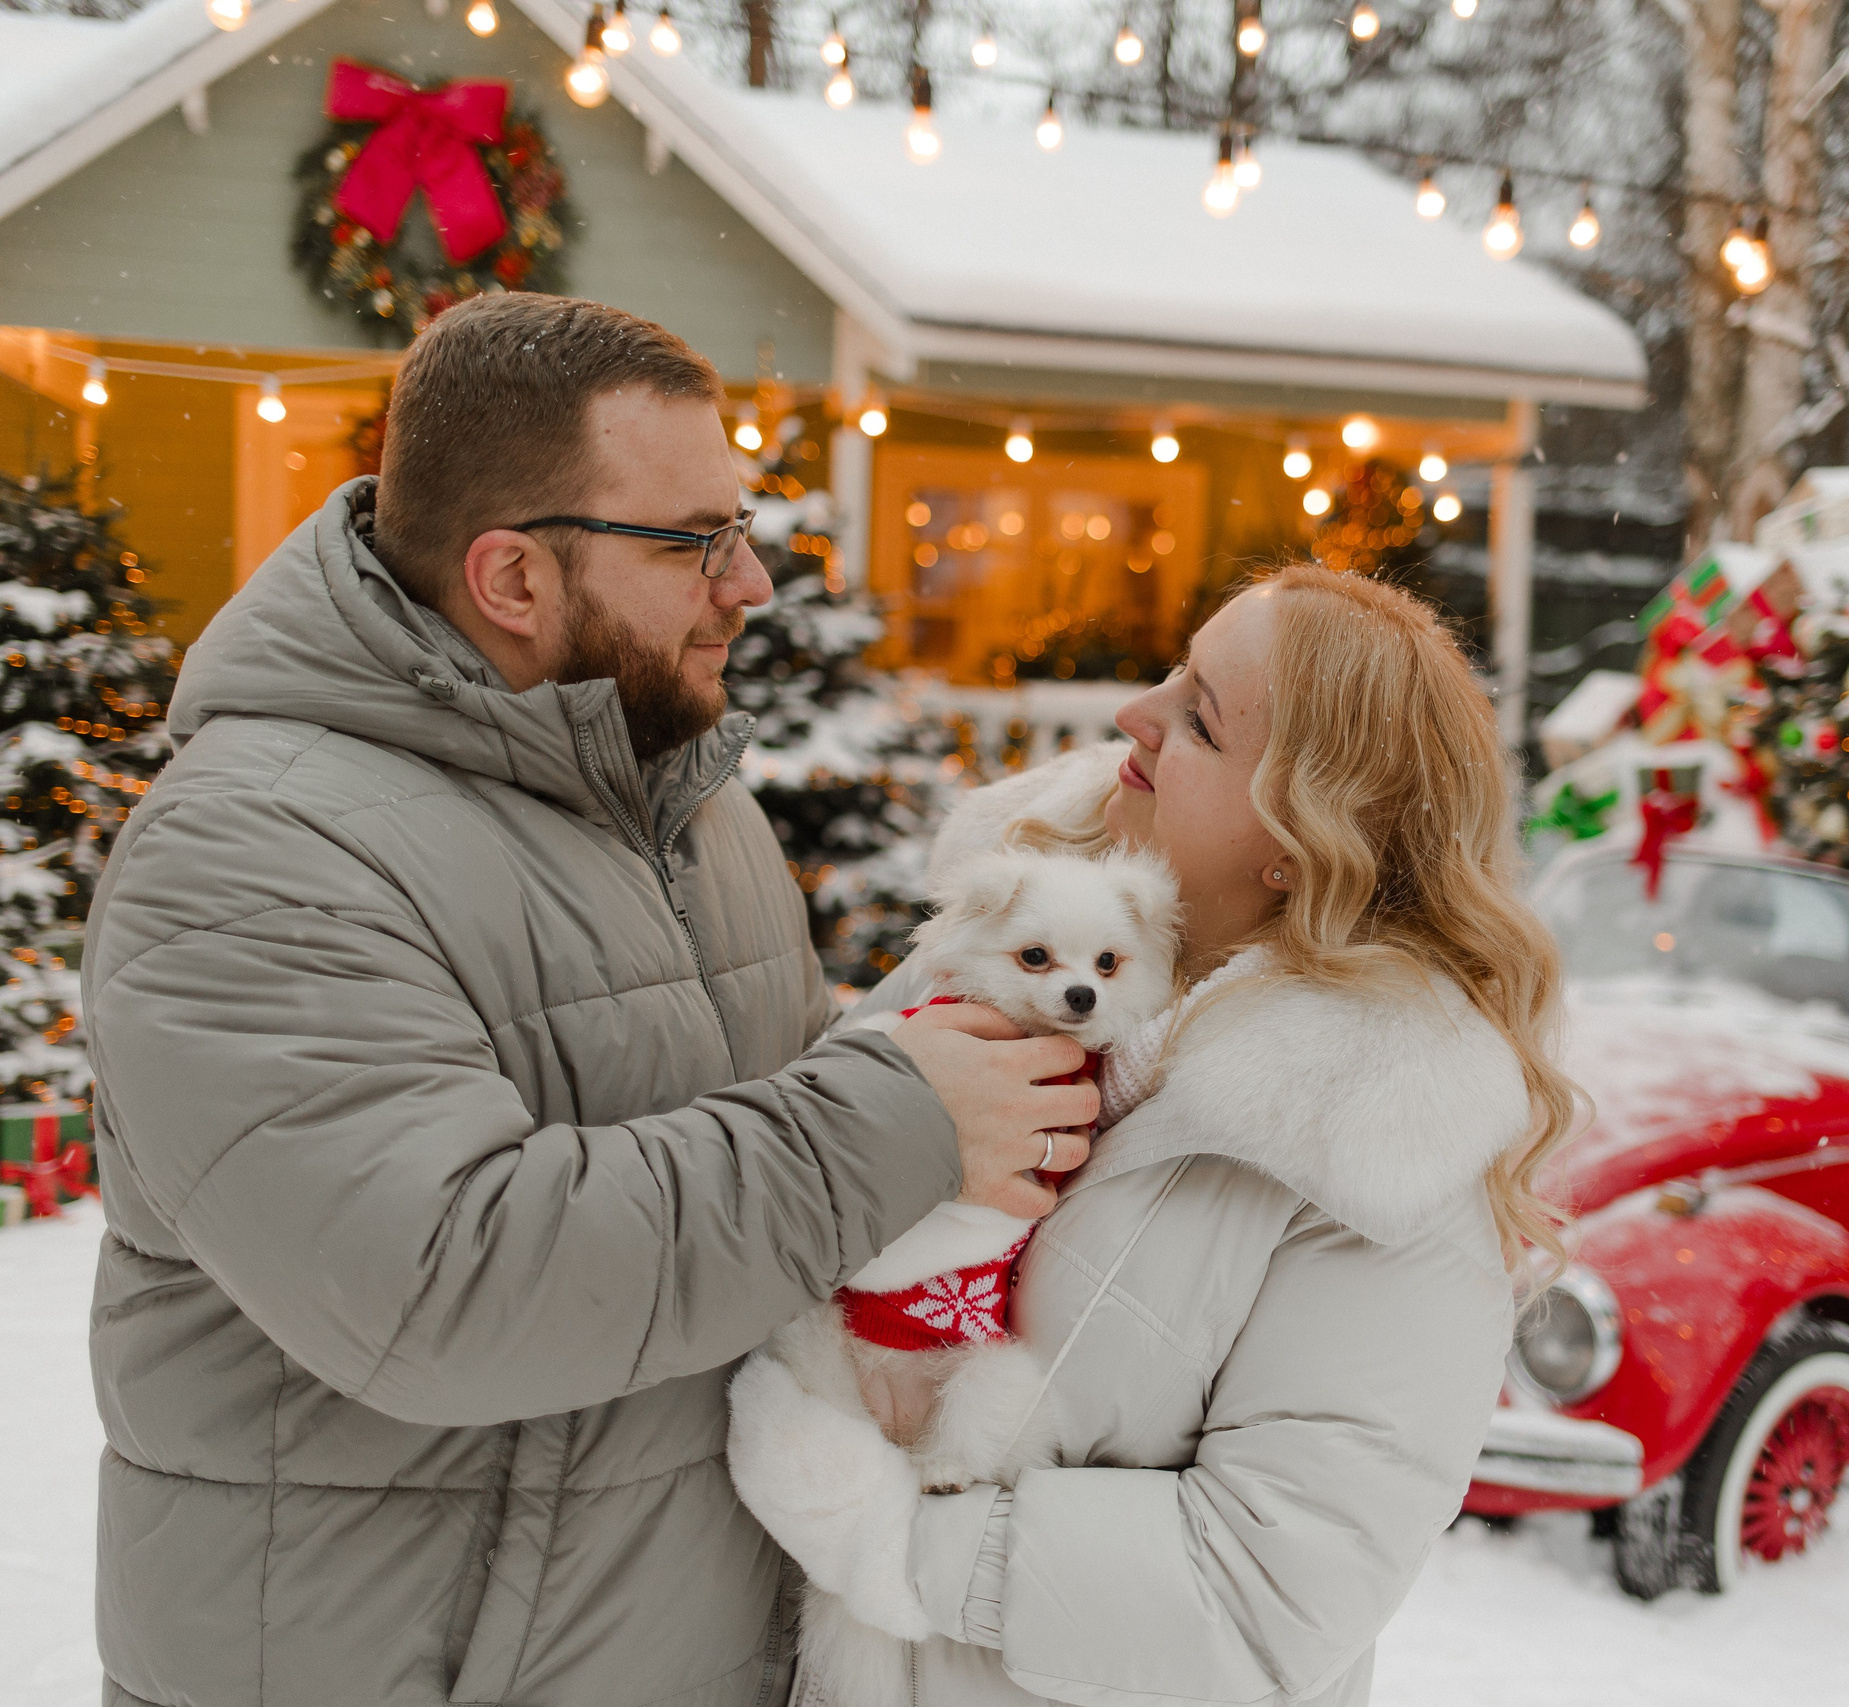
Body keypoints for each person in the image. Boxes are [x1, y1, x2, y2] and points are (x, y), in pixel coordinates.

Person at [80, 293, 1095, 1707]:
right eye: (697, 542)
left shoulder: (684, 801)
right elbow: (443, 1281)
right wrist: (896, 1121)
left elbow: (770, 1206)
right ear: (511, 579)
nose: (749, 582)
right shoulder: (257, 845)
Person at [729, 565, 1579, 1707]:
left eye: (1197, 718)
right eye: (1174, 676)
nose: (1134, 713)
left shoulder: (1386, 1151)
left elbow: (1264, 1590)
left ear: (1298, 836)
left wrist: (878, 1532)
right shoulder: (1008, 939)